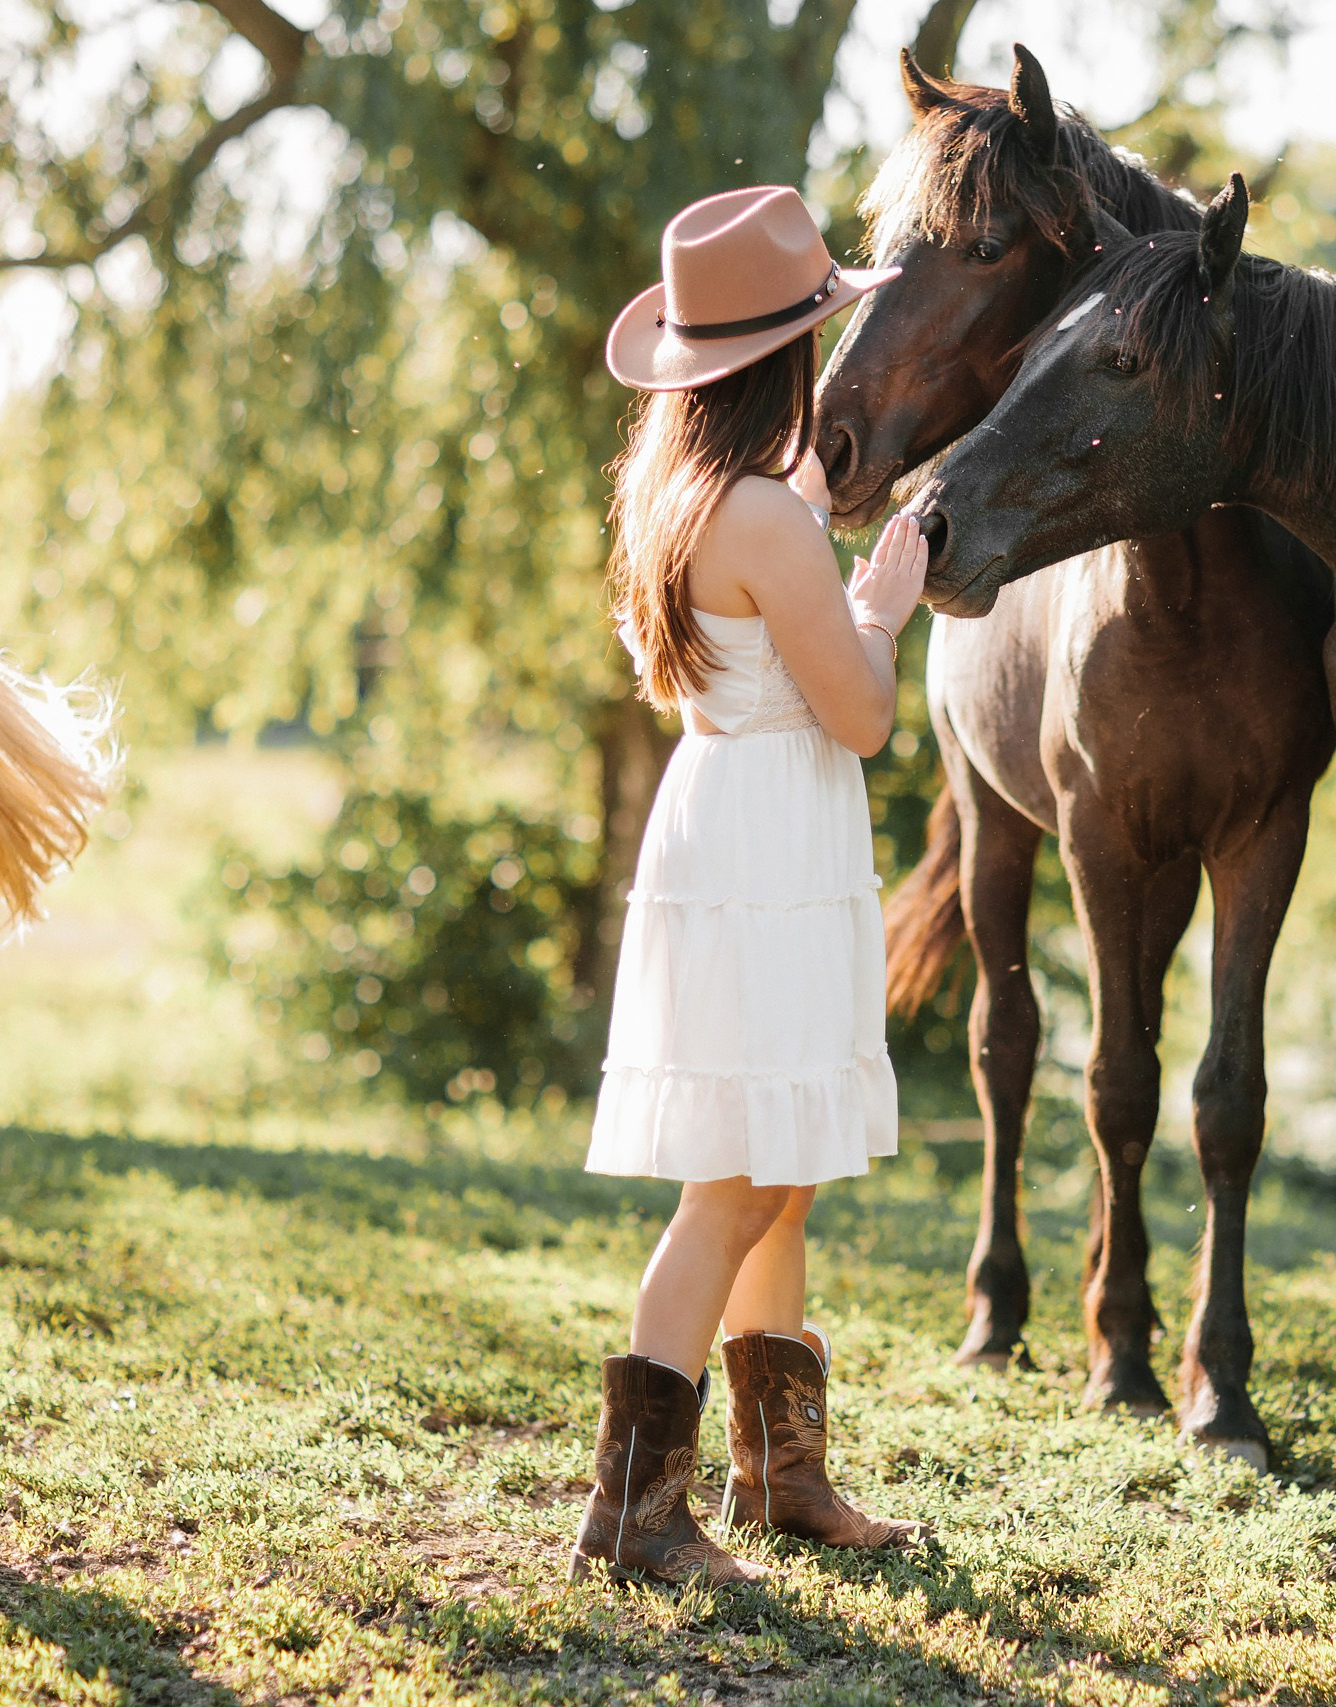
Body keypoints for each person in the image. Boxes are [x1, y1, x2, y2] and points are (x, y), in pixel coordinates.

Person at [573, 185, 928, 1585]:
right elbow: (860, 715)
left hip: (730, 821)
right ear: (783, 362)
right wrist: (880, 608)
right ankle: (635, 1515)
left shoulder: (682, 498)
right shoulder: (774, 523)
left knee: (777, 1177)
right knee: (732, 1186)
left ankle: (784, 1479)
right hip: (775, 834)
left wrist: (818, 534)